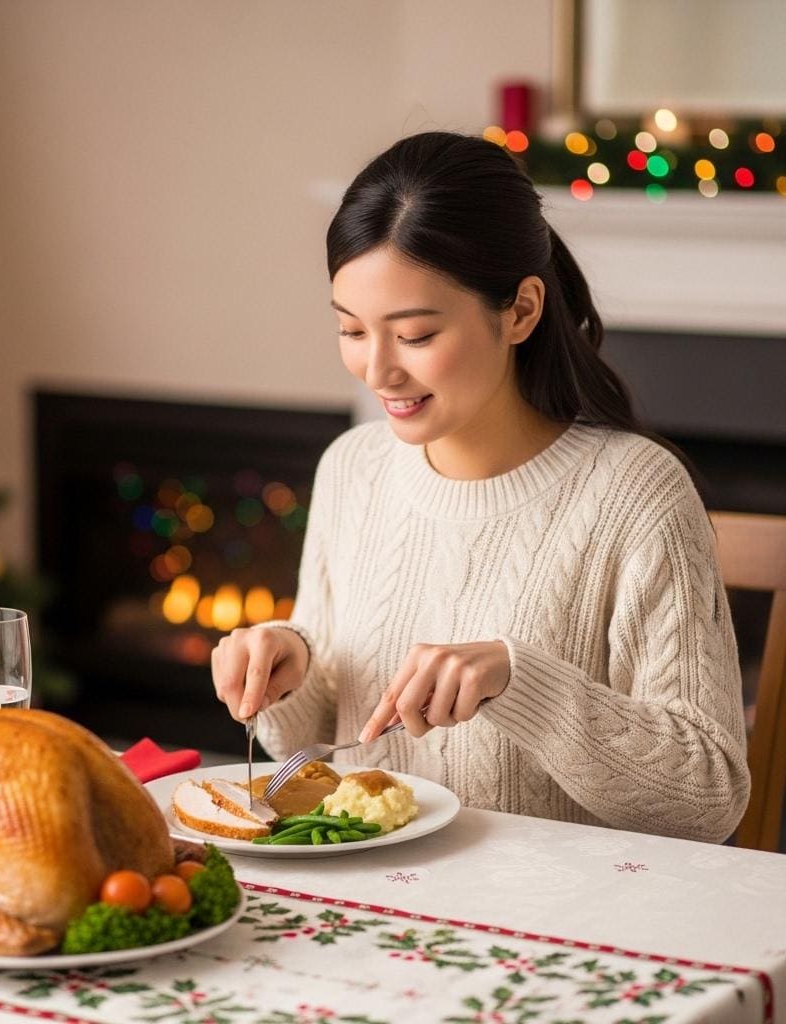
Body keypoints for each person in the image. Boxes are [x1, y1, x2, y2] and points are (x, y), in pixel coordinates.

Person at [210, 131, 750, 843]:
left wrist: (520, 683)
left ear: (521, 310)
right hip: (378, 889)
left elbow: (708, 798)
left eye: (414, 335)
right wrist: (291, 664)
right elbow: (308, 748)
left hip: (561, 902)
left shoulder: (636, 493)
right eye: (351, 331)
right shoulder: (353, 468)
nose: (377, 371)